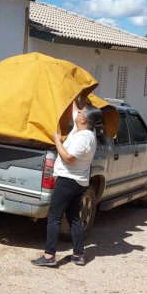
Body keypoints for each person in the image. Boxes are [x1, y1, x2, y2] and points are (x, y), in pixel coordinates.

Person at [33, 102, 104, 267]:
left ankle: (49, 256)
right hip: (78, 182)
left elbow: (68, 157)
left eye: (81, 113)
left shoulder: (84, 138)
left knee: (54, 216)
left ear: (84, 119)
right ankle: (78, 254)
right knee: (74, 217)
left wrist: (57, 140)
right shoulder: (81, 129)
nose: (78, 113)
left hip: (68, 181)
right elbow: (74, 109)